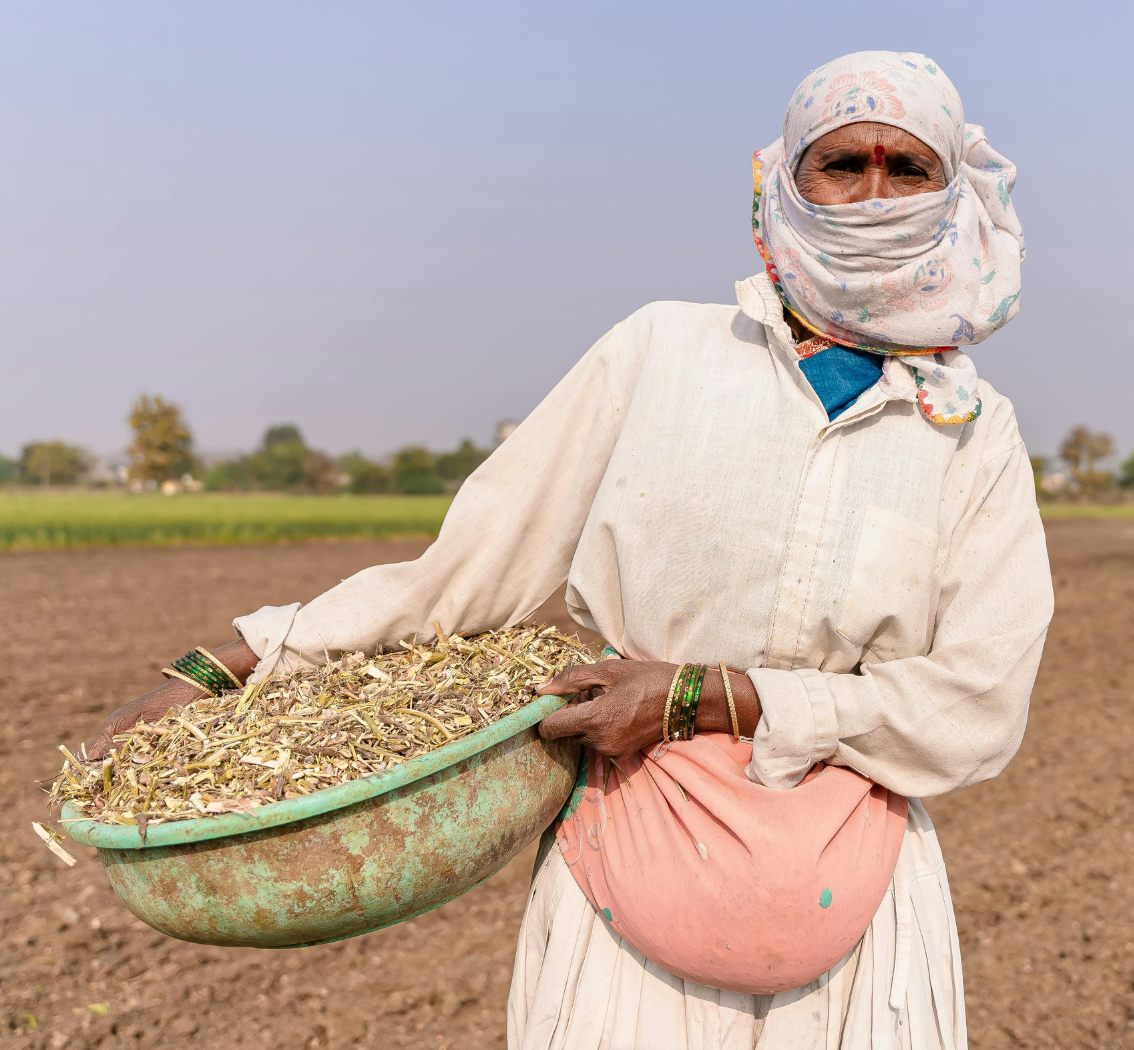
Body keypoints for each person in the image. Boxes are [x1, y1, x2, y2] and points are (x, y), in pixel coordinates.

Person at [88, 50, 1053, 1049]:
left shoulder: (970, 429)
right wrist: (235, 666)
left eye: (907, 169)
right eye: (841, 164)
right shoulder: (661, 355)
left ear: (951, 195)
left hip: (859, 927)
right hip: (621, 886)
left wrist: (712, 696)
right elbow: (465, 573)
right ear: (784, 180)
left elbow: (978, 704)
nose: (872, 196)